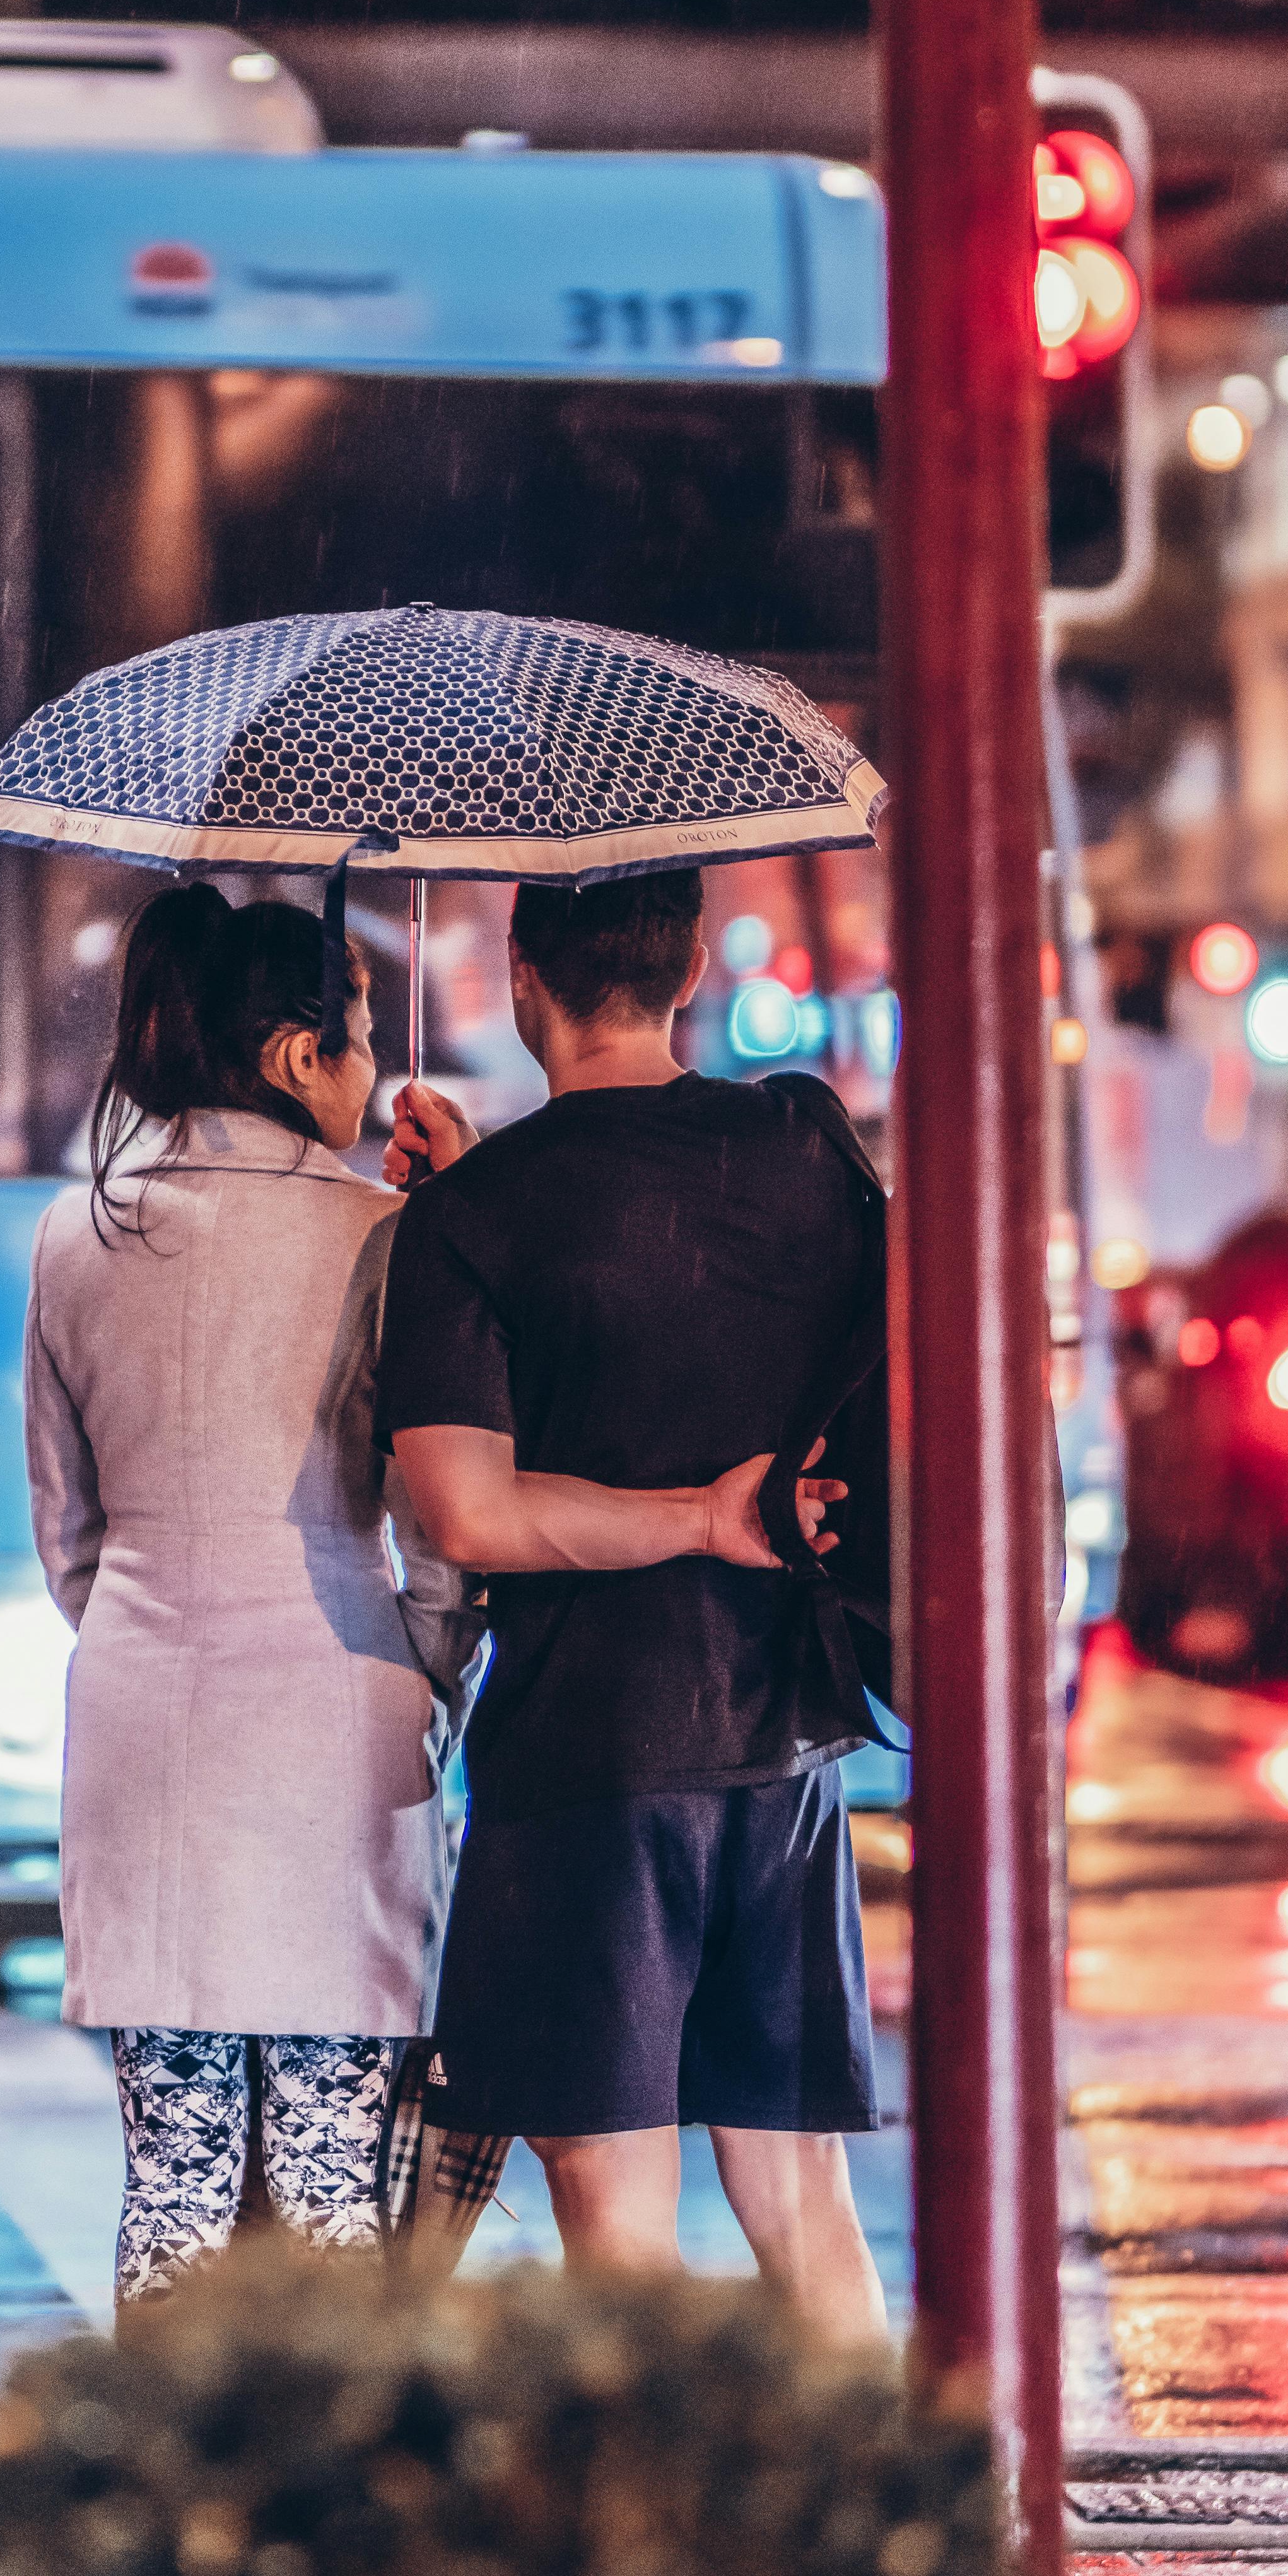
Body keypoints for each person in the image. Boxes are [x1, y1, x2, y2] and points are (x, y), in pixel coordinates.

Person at [23, 881, 797, 2310]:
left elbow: (66, 1532)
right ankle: (320, 2503)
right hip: (334, 1713)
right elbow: (445, 1544)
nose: (372, 1069)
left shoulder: (81, 1235)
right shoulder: (385, 1234)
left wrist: (146, 1626)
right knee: (331, 2164)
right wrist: (430, 1676)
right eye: (359, 1038)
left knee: (174, 2172)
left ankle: (164, 2493)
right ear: (295, 1059)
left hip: (135, 1717)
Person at [377, 866, 893, 2346]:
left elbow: (467, 1513)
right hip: (785, 1734)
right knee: (799, 2201)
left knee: (614, 2213)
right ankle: (886, 2540)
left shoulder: (470, 1221)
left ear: (521, 977)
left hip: (584, 1764)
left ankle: (666, 2567)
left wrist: (696, 1520)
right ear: (683, 978)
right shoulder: (799, 1140)